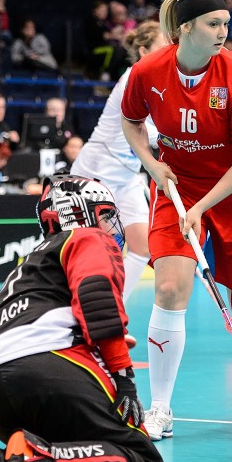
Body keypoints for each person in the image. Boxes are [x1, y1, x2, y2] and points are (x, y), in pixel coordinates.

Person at [121, 0, 232, 440]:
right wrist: (152, 163)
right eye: (214, 24)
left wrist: (200, 207)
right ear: (186, 28)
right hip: (178, 186)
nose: (223, 33)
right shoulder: (148, 71)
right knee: (171, 286)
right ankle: (158, 407)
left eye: (226, 25)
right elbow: (131, 122)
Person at [0, 175, 166, 462]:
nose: (110, 226)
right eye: (104, 214)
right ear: (81, 213)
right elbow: (96, 297)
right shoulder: (89, 237)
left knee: (84, 445)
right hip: (43, 363)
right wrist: (124, 378)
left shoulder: (31, 262)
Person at [73, 22, 169, 327]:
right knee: (88, 251)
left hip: (126, 177)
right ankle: (72, 316)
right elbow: (142, 128)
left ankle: (113, 315)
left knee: (142, 248)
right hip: (96, 173)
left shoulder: (160, 80)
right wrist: (171, 138)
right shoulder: (134, 77)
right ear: (143, 51)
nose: (170, 49)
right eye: (162, 44)